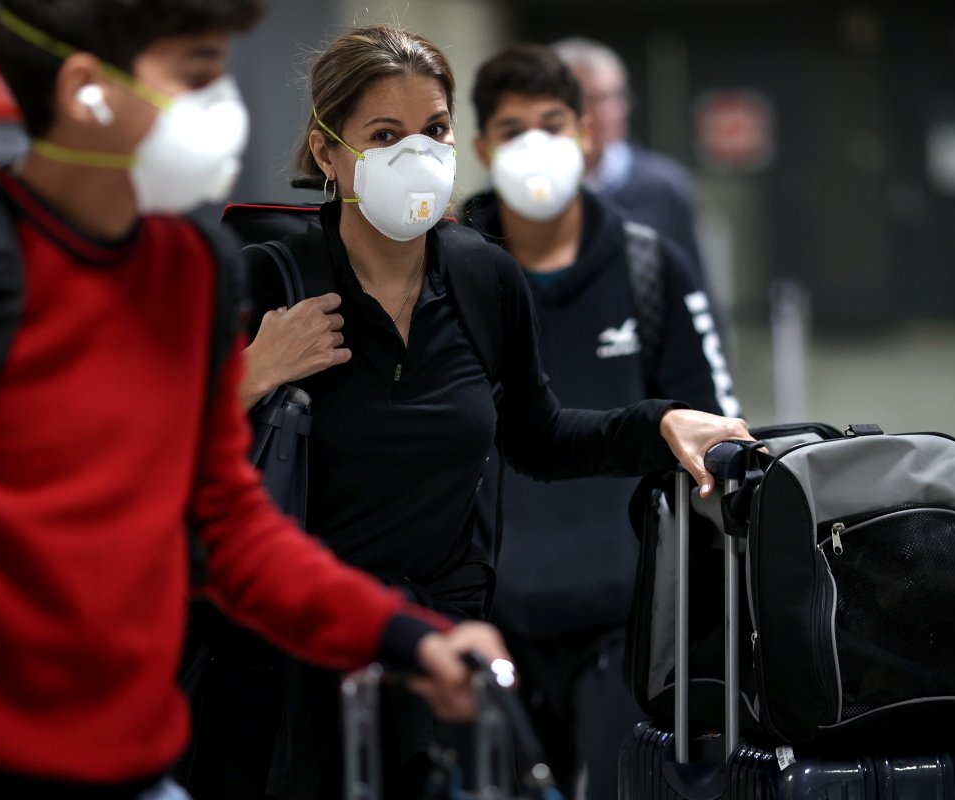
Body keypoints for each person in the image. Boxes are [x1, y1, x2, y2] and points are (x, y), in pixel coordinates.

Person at [0, 3, 514, 799]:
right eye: (197, 73)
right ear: (86, 90)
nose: (224, 104)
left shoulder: (190, 269)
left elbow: (231, 527)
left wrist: (406, 640)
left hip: (131, 765)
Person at [190, 23, 753, 800]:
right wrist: (248, 378)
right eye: (384, 135)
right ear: (327, 152)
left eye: (434, 130)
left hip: (438, 658)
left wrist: (657, 423)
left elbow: (539, 436)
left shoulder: (483, 277)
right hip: (288, 665)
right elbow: (163, 461)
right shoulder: (266, 281)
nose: (415, 155)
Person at [463, 43, 740, 800]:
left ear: (586, 133)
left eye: (552, 124)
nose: (534, 146)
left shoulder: (650, 265)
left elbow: (715, 425)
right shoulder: (447, 269)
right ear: (483, 147)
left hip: (630, 614)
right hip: (488, 615)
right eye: (512, 130)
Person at [553, 37, 707, 285]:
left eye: (614, 97)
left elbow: (694, 284)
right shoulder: (531, 186)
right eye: (588, 99)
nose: (604, 112)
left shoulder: (663, 186)